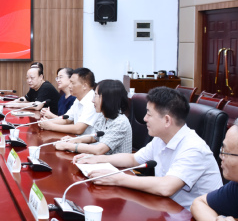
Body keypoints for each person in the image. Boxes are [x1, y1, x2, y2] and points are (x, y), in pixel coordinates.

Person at [74, 86, 222, 209]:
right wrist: (97, 159)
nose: (145, 119)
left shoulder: (193, 148)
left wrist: (117, 178)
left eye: (149, 114)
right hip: (167, 209)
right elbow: (133, 159)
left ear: (167, 120)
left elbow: (166, 187)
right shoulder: (161, 139)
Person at [55, 79, 132, 155]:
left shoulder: (120, 122)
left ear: (107, 99)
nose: (93, 100)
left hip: (114, 163)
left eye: (96, 96)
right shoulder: (103, 116)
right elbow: (93, 137)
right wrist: (75, 140)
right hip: (101, 159)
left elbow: (99, 150)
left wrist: (68, 146)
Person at [38, 67, 99, 135]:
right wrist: (46, 122)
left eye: (72, 83)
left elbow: (78, 129)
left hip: (86, 141)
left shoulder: (92, 101)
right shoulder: (78, 99)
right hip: (75, 138)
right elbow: (66, 119)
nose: (69, 86)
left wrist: (51, 126)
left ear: (84, 86)